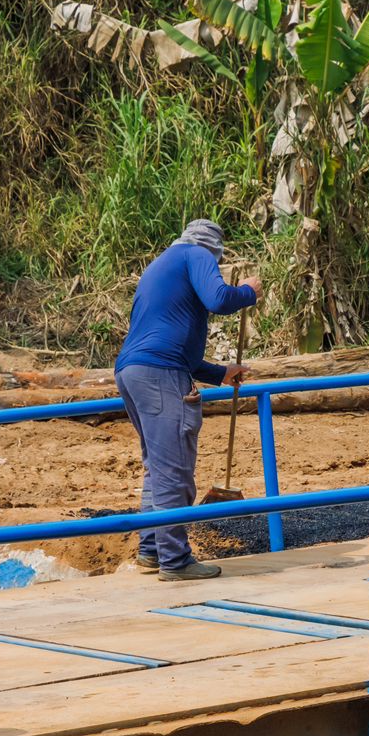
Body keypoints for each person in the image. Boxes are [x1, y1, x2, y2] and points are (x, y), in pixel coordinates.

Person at [115, 220, 260, 581]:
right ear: (215, 250)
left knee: (158, 467)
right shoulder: (197, 254)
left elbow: (177, 345)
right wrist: (247, 291)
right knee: (174, 470)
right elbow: (219, 299)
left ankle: (151, 550)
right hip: (159, 373)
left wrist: (220, 373)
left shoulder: (163, 263)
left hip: (133, 371)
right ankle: (175, 561)